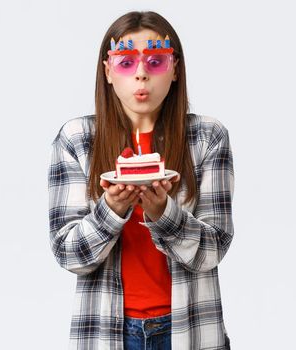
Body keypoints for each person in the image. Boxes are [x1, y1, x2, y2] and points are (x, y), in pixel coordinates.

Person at [47, 11, 234, 350]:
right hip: (107, 332)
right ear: (107, 71)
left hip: (189, 330)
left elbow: (213, 248)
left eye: (156, 61)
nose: (142, 75)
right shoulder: (77, 139)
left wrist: (164, 213)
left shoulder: (207, 137)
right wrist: (112, 208)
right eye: (126, 63)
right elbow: (68, 253)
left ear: (175, 69)